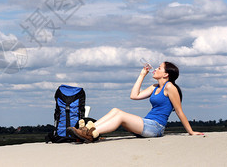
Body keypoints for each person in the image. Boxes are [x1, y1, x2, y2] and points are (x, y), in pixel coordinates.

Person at [68, 61, 204, 142]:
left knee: (120, 116)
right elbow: (134, 96)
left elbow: (179, 111)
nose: (155, 69)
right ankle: (87, 131)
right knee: (116, 110)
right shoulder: (155, 87)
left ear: (166, 74)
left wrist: (191, 132)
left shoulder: (170, 87)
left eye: (159, 68)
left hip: (155, 127)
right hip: (146, 124)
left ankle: (90, 134)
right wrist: (142, 75)